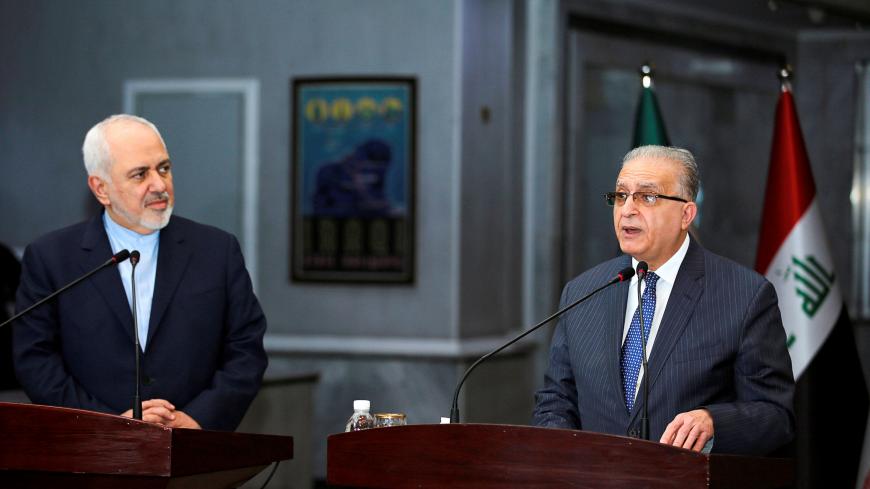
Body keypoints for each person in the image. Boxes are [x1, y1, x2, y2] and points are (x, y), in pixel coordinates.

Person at [533, 145, 794, 455]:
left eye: (647, 197)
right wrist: (559, 453)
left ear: (686, 214)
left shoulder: (744, 295)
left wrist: (714, 421)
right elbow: (556, 398)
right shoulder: (582, 291)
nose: (627, 209)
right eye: (621, 195)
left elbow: (777, 416)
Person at [13, 114, 267, 431]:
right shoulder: (52, 257)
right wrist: (107, 425)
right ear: (101, 189)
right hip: (92, 453)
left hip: (195, 451)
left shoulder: (217, 250)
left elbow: (246, 349)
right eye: (139, 174)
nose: (159, 185)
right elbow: (36, 358)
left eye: (164, 168)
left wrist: (199, 418)